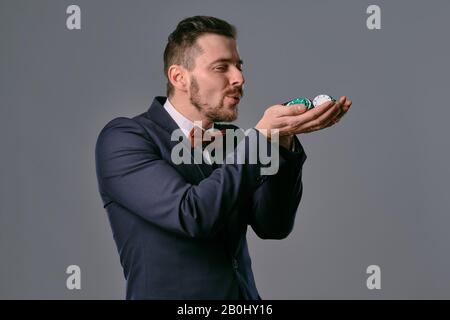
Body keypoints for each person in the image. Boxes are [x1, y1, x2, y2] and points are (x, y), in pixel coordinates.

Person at [95, 15, 352, 300]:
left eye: (239, 67)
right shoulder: (126, 137)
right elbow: (191, 214)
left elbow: (273, 226)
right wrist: (260, 140)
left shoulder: (234, 142)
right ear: (179, 77)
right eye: (221, 68)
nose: (239, 79)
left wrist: (281, 141)